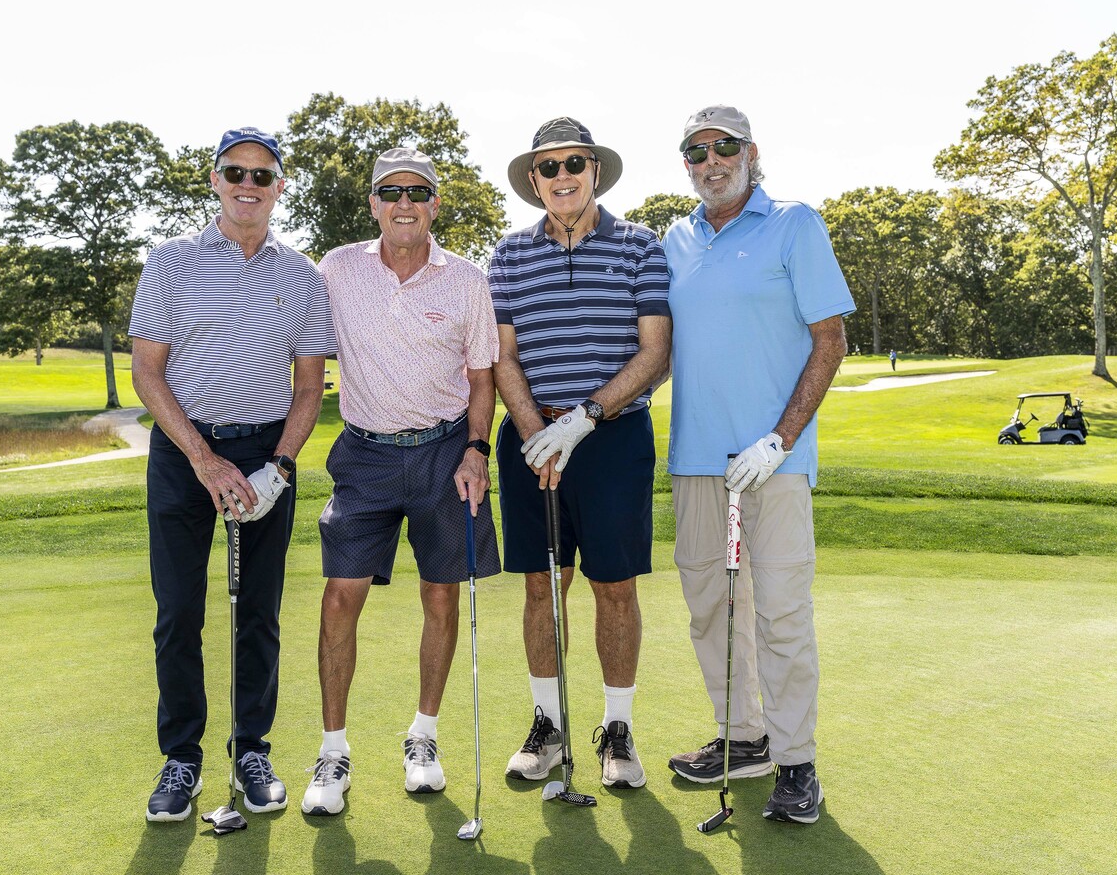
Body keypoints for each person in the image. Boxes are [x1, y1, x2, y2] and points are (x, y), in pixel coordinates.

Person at [129, 127, 335, 822]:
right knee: (179, 614)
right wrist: (203, 459)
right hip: (185, 455)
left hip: (265, 458)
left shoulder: (302, 275)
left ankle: (252, 750)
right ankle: (181, 759)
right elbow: (147, 373)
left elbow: (310, 386)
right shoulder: (171, 262)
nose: (248, 186)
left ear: (281, 187)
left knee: (258, 617)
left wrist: (279, 465)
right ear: (214, 180)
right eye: (235, 173)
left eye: (262, 175)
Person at [663, 104, 854, 823]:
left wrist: (778, 439)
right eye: (695, 150)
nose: (711, 160)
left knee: (779, 614)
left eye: (724, 147)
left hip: (773, 462)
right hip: (694, 461)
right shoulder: (674, 240)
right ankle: (743, 738)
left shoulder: (794, 224)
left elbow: (828, 340)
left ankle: (797, 762)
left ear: (750, 151)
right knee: (712, 610)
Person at [302, 148, 501, 816]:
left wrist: (477, 449)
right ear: (374, 204)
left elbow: (482, 377)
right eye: (391, 191)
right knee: (339, 598)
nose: (405, 202)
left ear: (435, 204)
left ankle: (424, 737)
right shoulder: (337, 269)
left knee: (440, 599)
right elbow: (300, 345)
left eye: (418, 191)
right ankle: (334, 751)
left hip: (447, 451)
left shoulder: (467, 280)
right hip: (364, 456)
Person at [488, 117, 672, 790]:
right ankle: (548, 725)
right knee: (543, 586)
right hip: (531, 441)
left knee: (613, 588)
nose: (562, 176)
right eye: (548, 167)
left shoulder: (639, 247)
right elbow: (502, 355)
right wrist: (539, 432)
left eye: (575, 163)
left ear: (595, 170)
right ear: (533, 180)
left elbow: (655, 351)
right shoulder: (507, 255)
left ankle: (617, 731)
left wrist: (585, 418)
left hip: (616, 440)